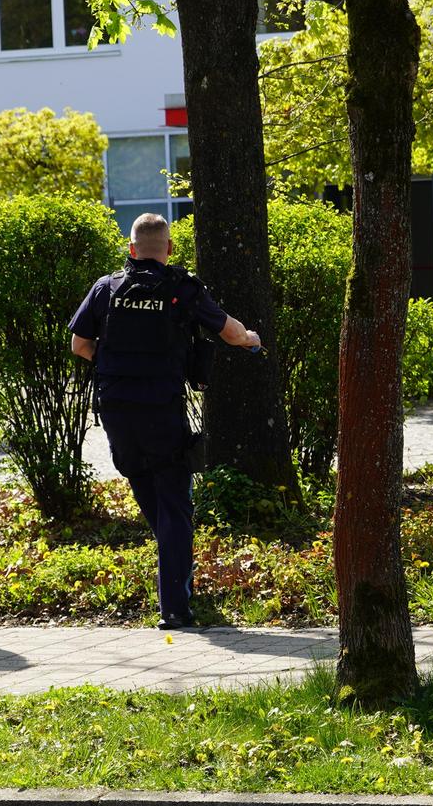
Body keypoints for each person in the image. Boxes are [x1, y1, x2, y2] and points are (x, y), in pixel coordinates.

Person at [68, 213, 262, 629]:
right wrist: (251, 339)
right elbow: (229, 332)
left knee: (151, 494)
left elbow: (79, 343)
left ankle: (174, 573)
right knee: (175, 504)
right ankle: (175, 606)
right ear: (169, 249)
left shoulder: (107, 289)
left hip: (117, 410)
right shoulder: (182, 288)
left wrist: (113, 360)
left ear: (131, 249)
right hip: (162, 409)